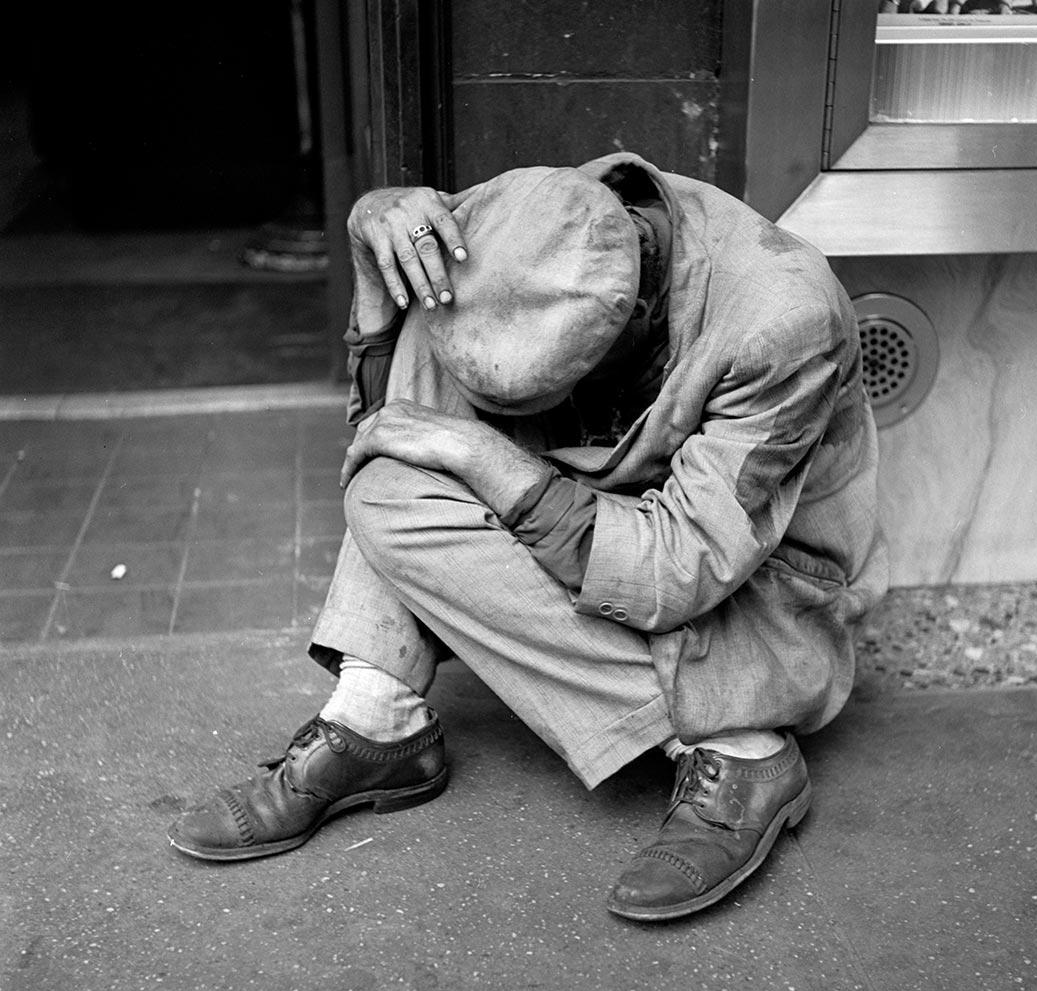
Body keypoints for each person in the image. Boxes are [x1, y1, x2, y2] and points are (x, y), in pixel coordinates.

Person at [168, 152, 887, 922]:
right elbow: (385, 434)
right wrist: (371, 275)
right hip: (605, 520)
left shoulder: (782, 320)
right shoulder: (507, 224)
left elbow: (673, 573)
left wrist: (481, 453)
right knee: (387, 487)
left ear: (635, 321)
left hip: (755, 592)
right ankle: (377, 717)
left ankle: (741, 748)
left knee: (450, 463)